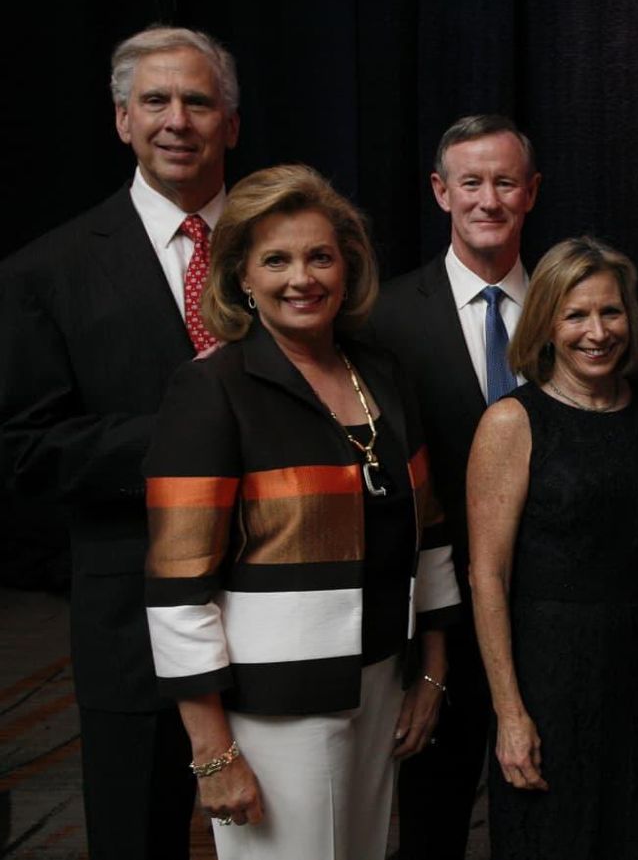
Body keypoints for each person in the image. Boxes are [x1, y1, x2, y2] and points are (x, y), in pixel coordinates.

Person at [143, 164, 461, 857]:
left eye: (320, 257)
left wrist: (430, 671)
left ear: (347, 269)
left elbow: (428, 530)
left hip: (382, 681)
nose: (301, 278)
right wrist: (212, 751)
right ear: (242, 275)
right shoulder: (212, 388)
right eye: (276, 260)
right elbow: (176, 588)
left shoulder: (381, 373)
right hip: (275, 703)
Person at [0, 26, 240, 859]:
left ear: (231, 124)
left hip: (285, 606)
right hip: (130, 619)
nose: (177, 120)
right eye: (155, 101)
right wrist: (188, 440)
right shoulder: (46, 270)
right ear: (121, 119)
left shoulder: (293, 251)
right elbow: (23, 449)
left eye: (198, 101)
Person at [468, 236, 638, 859]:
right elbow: (487, 576)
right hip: (546, 676)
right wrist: (509, 712)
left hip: (636, 671)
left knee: (631, 835)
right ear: (546, 323)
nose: (597, 332)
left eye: (611, 311)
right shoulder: (511, 422)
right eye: (576, 315)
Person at [368, 113, 541, 859]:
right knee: (432, 822)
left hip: (550, 609)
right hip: (433, 616)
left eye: (505, 182)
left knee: (545, 816)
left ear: (531, 192)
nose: (488, 200)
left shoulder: (574, 309)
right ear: (441, 192)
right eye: (471, 183)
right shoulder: (381, 318)